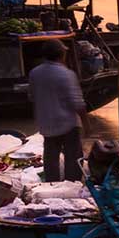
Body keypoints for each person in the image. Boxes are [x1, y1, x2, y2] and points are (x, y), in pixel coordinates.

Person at [28, 42, 88, 183]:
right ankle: (72, 185)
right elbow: (77, 103)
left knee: (50, 157)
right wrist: (87, 124)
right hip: (68, 124)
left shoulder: (35, 73)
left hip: (46, 124)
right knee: (73, 158)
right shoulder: (66, 74)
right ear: (62, 55)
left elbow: (31, 97)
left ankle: (52, 185)